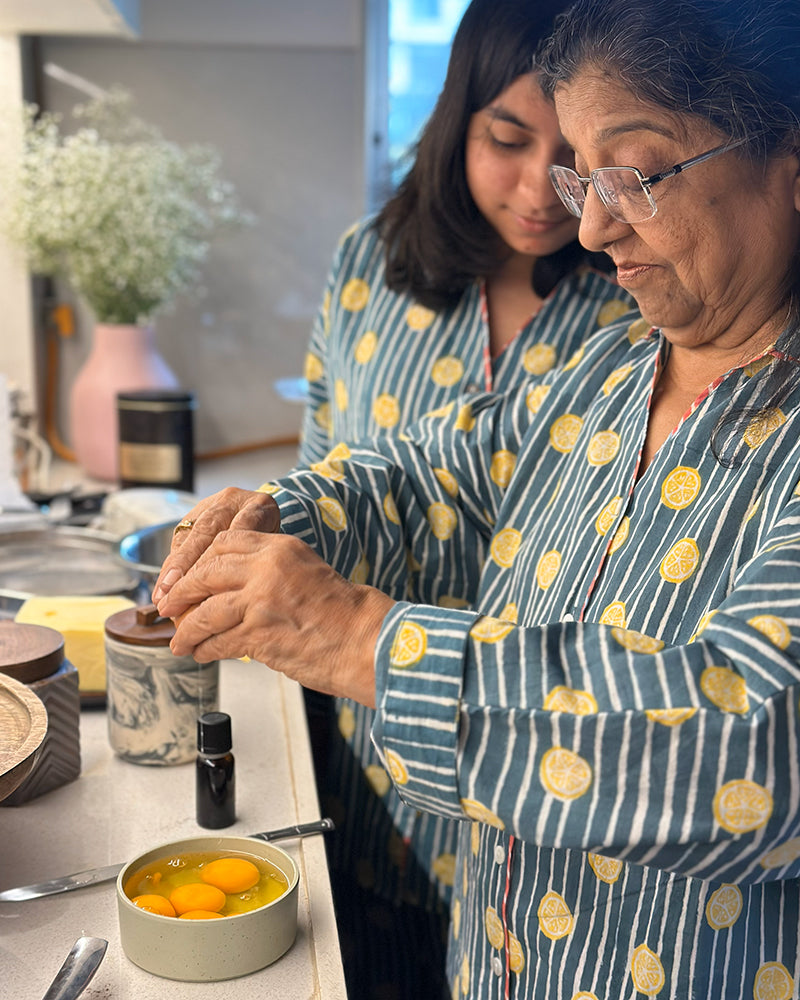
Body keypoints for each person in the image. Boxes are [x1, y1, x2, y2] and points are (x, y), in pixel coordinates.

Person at [153, 0, 800, 996]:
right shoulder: (613, 365)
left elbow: (757, 733)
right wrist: (284, 510)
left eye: (630, 171)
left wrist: (361, 641)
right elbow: (431, 478)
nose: (587, 223)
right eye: (581, 177)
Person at [299, 0, 633, 994]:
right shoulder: (368, 265)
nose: (542, 190)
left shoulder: (633, 294)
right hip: (371, 766)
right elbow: (329, 468)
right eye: (504, 139)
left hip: (554, 793)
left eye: (572, 155)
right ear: (455, 122)